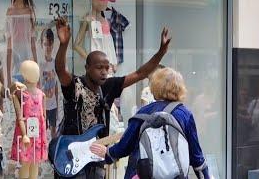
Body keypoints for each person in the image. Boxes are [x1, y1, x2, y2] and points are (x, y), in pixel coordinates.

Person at [54, 16, 171, 178]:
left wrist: (160, 53)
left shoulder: (109, 86)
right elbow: (60, 70)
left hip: (96, 159)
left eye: (106, 67)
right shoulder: (75, 85)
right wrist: (64, 45)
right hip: (71, 157)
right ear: (87, 68)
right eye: (99, 68)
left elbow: (140, 73)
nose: (104, 71)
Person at [90, 68, 210, 179]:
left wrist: (108, 153)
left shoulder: (143, 113)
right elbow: (196, 156)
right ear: (180, 88)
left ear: (155, 87)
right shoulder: (185, 114)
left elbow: (124, 147)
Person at [40, 28, 58, 138]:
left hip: (53, 104)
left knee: (53, 129)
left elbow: (56, 85)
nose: (48, 47)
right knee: (43, 130)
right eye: (45, 44)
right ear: (42, 44)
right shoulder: (40, 63)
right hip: (42, 104)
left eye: (50, 44)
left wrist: (56, 103)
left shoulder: (55, 63)